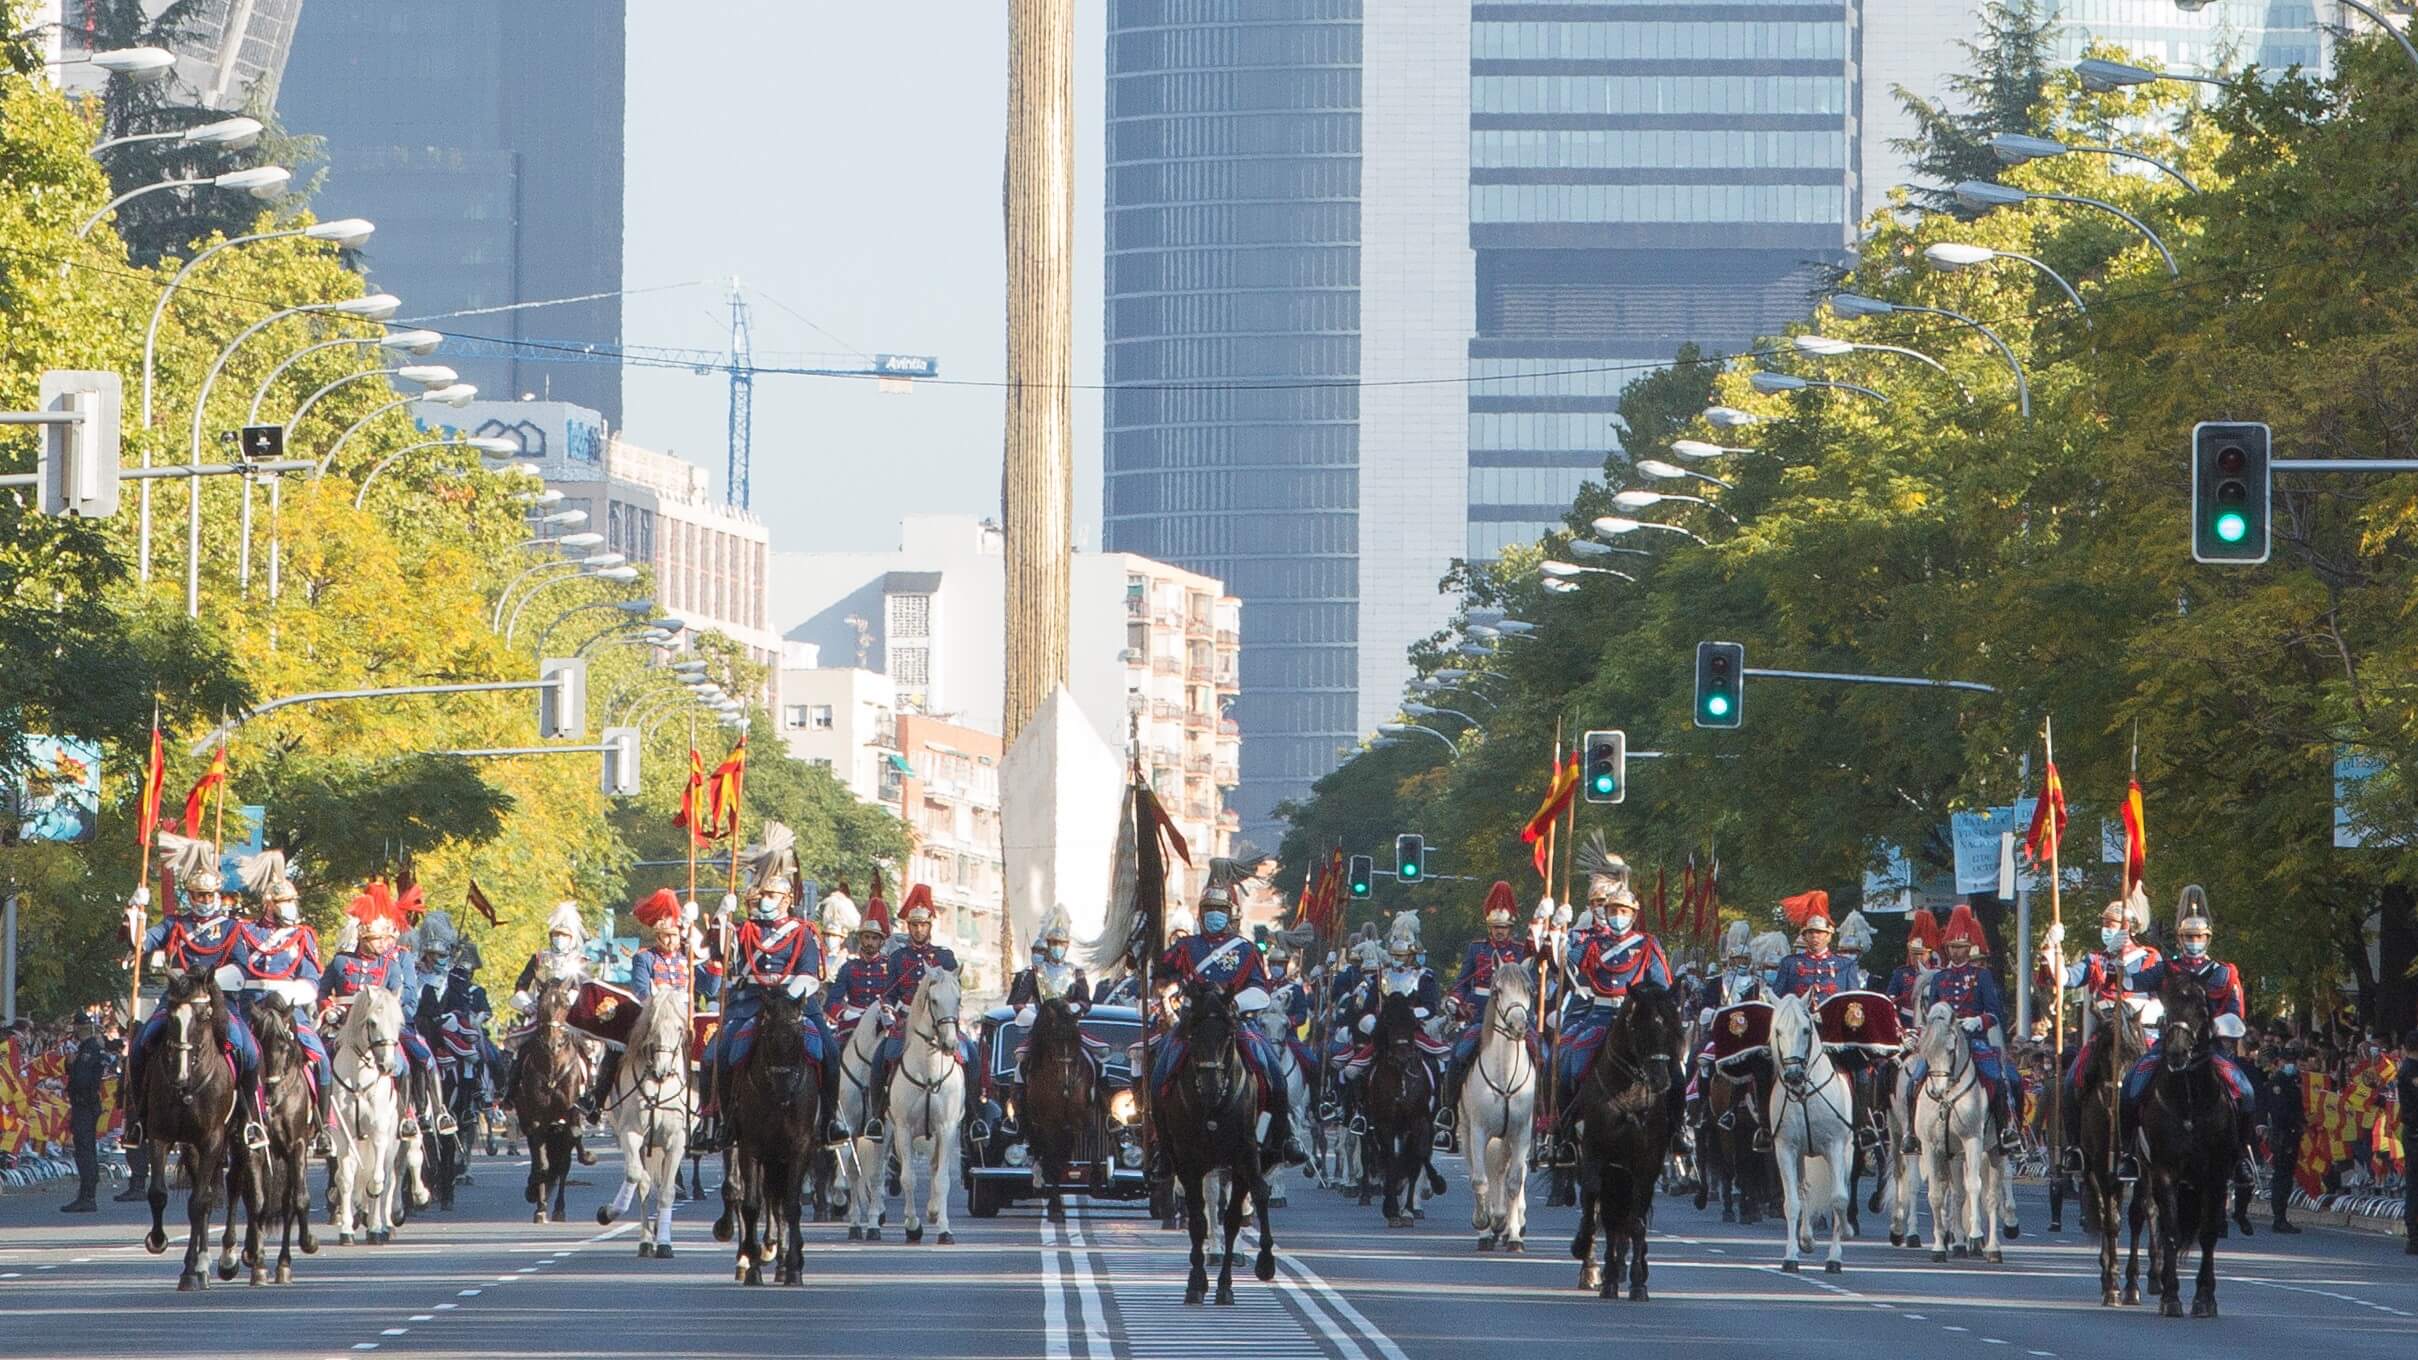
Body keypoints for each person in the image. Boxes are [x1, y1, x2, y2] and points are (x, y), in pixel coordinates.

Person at [123, 833, 266, 1153]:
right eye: (197, 895)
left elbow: (242, 968)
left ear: (217, 894)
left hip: (217, 1002)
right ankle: (140, 1118)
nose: (202, 900)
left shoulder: (231, 928)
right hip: (176, 1000)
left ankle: (249, 1118)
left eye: (207, 894)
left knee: (249, 1050)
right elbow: (142, 943)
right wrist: (136, 912)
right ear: (189, 895)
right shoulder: (175, 923)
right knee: (142, 1043)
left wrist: (213, 980)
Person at [1154, 880, 1308, 1168]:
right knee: (1161, 1071)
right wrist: (1152, 967)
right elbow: (1161, 976)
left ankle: (1283, 1137)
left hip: (1236, 1022)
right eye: (1210, 909)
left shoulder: (1246, 950)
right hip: (1193, 1024)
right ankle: (1163, 1147)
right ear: (1201, 914)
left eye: (1220, 910)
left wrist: (1237, 1003)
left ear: (1229, 914)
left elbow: (1260, 990)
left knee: (1273, 1072)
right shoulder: (1185, 947)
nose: (1215, 915)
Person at [701, 831, 841, 1147]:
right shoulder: (744, 929)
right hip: (750, 1002)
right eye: (761, 895)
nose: (765, 901)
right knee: (716, 1055)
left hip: (795, 1005)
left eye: (772, 896)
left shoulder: (804, 932)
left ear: (787, 900)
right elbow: (722, 956)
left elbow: (810, 973)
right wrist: (722, 917)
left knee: (830, 1052)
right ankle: (725, 1122)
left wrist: (788, 1000)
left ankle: (830, 1121)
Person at [2125, 887, 2258, 1191]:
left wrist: (2216, 1027)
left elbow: (2236, 1012)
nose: (2194, 943)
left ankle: (2240, 1159)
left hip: (2209, 1049)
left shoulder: (2224, 973)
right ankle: (2128, 1154)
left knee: (2246, 1092)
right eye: (2188, 937)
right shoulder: (2167, 969)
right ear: (2179, 938)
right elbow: (2131, 982)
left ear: (2208, 938)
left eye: (2199, 938)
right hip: (2169, 1045)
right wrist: (2118, 961)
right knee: (2131, 1087)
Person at [1553, 836, 1671, 1136]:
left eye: (1624, 912)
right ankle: (1565, 1126)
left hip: (1637, 1016)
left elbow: (1662, 987)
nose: (1618, 916)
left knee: (1671, 1067)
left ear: (1633, 915)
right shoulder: (1591, 941)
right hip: (1600, 1015)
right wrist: (1559, 936)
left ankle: (1676, 1130)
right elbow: (1567, 968)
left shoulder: (1647, 944)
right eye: (1613, 911)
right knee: (1571, 1065)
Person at [2040, 887, 2162, 1175]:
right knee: (2072, 1081)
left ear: (2128, 927)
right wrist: (2050, 949)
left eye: (2111, 925)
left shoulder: (2151, 958)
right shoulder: (2096, 959)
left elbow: (2161, 994)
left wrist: (2131, 993)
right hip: (2105, 1032)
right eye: (2104, 925)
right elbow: (2067, 978)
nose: (2105, 930)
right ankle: (2074, 1149)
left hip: (2141, 1032)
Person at [316, 882, 451, 1138]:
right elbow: (324, 991)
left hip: (387, 1025)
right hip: (343, 1024)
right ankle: (320, 1121)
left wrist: (395, 1018)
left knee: (419, 1059)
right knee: (315, 1059)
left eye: (386, 936)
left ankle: (424, 1112)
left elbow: (406, 996)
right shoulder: (343, 960)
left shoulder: (396, 961)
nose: (383, 942)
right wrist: (330, 1010)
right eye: (376, 938)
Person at [1903, 905, 2021, 1155]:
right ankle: (1911, 1134)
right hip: (1941, 1045)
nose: (1956, 952)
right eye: (1952, 947)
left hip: (1974, 1041)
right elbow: (1930, 1013)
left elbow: (1995, 1013)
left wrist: (1978, 1021)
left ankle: (2006, 1132)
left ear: (1969, 948)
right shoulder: (1939, 978)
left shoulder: (1982, 977)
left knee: (2005, 1080)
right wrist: (1921, 1034)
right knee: (1912, 1081)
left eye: (1960, 947)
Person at [230, 849, 332, 1137]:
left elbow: (311, 978)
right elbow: (236, 967)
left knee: (321, 1059)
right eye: (283, 902)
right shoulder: (245, 931)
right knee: (231, 1054)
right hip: (252, 1009)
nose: (289, 906)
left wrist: (292, 992)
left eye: (291, 901)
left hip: (289, 1011)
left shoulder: (303, 935)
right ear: (269, 903)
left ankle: (322, 1128)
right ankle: (230, 1123)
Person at [1439, 881, 1536, 1133]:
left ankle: (1542, 1111)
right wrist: (1456, 1000)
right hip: (1481, 1015)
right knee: (1459, 1053)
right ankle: (1449, 1111)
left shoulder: (1520, 951)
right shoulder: (1477, 948)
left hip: (1514, 1015)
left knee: (1542, 1053)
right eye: (1495, 928)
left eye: (1504, 928)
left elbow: (1531, 984)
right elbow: (1464, 980)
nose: (1500, 932)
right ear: (1489, 928)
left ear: (1510, 928)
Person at [1771, 891, 1864, 1002]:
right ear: (1804, 936)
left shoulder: (1846, 965)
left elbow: (1854, 1002)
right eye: (1810, 932)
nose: (1815, 936)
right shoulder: (1789, 963)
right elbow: (1777, 998)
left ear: (1828, 936)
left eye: (1819, 932)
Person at [61, 1017, 111, 1213]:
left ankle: (87, 1196)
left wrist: (71, 1065)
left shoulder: (88, 1051)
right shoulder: (89, 1048)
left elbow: (81, 1079)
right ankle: (86, 1194)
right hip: (85, 1105)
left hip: (85, 1104)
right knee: (84, 1149)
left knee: (85, 1150)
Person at [2263, 1042, 2306, 1234]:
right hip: (2283, 1134)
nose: (2292, 1064)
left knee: (2286, 1176)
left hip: (2291, 1134)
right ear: (2280, 1062)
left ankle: (2281, 1216)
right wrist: (2297, 1123)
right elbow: (2281, 1112)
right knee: (2282, 1176)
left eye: (2294, 1061)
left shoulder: (2293, 1081)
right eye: (2288, 1061)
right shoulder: (2278, 1082)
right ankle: (2279, 1218)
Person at [1886, 908, 1941, 1026]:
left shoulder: (1938, 974)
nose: (1917, 957)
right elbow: (1890, 998)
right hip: (1906, 1020)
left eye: (1921, 954)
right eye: (1914, 953)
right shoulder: (1900, 973)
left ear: (1929, 954)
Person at [2396, 1028, 2417, 1255]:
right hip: (2415, 1132)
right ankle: (2414, 1236)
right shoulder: (2411, 1071)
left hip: (2412, 1132)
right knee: (2414, 1186)